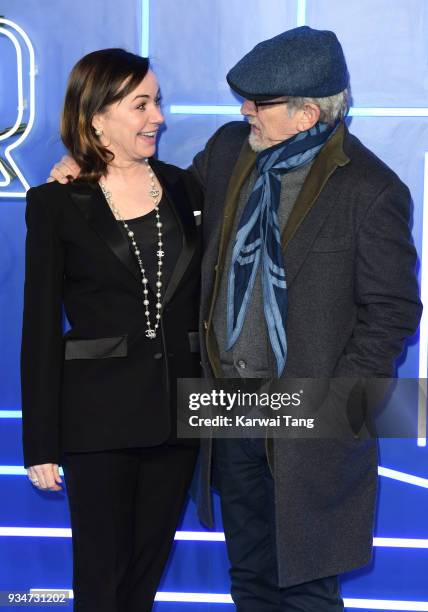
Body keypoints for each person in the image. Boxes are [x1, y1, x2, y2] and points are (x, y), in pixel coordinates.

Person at [49, 27, 422, 612]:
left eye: (260, 101)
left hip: (310, 419)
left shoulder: (371, 190)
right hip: (229, 413)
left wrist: (332, 404)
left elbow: (393, 312)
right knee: (250, 580)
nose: (245, 109)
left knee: (304, 591)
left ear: (306, 114)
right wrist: (88, 164)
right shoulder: (230, 151)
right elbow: (160, 198)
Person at [21, 48, 202, 612]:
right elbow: (40, 328)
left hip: (179, 416)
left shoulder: (187, 189)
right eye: (142, 104)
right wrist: (40, 444)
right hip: (96, 419)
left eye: (159, 103)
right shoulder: (56, 202)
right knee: (100, 584)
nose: (159, 118)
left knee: (143, 581)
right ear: (97, 115)